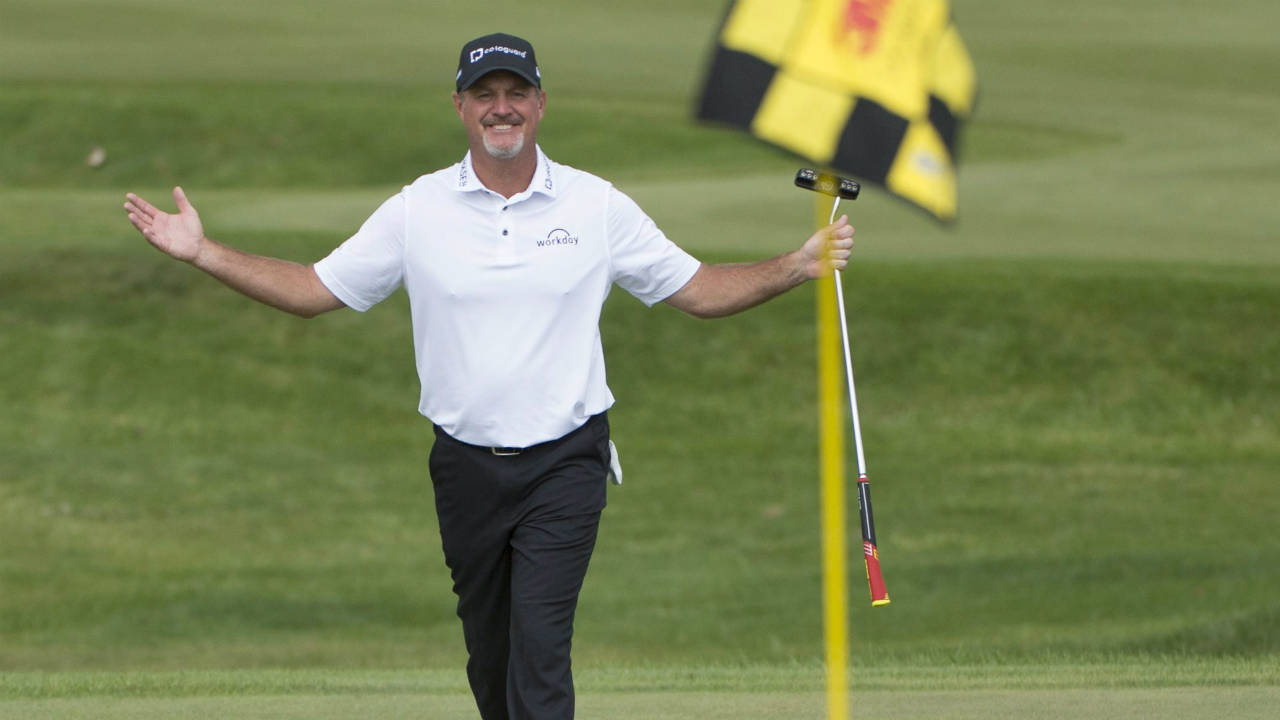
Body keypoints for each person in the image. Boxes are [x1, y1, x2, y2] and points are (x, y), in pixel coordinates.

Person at [123, 32, 854, 720]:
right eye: (485, 93)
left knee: (540, 653)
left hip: (566, 461)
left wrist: (794, 266)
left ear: (539, 103)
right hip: (465, 466)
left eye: (515, 92)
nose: (501, 106)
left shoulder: (594, 205)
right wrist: (203, 253)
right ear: (461, 107)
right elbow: (317, 290)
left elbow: (695, 290)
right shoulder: (419, 209)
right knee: (491, 657)